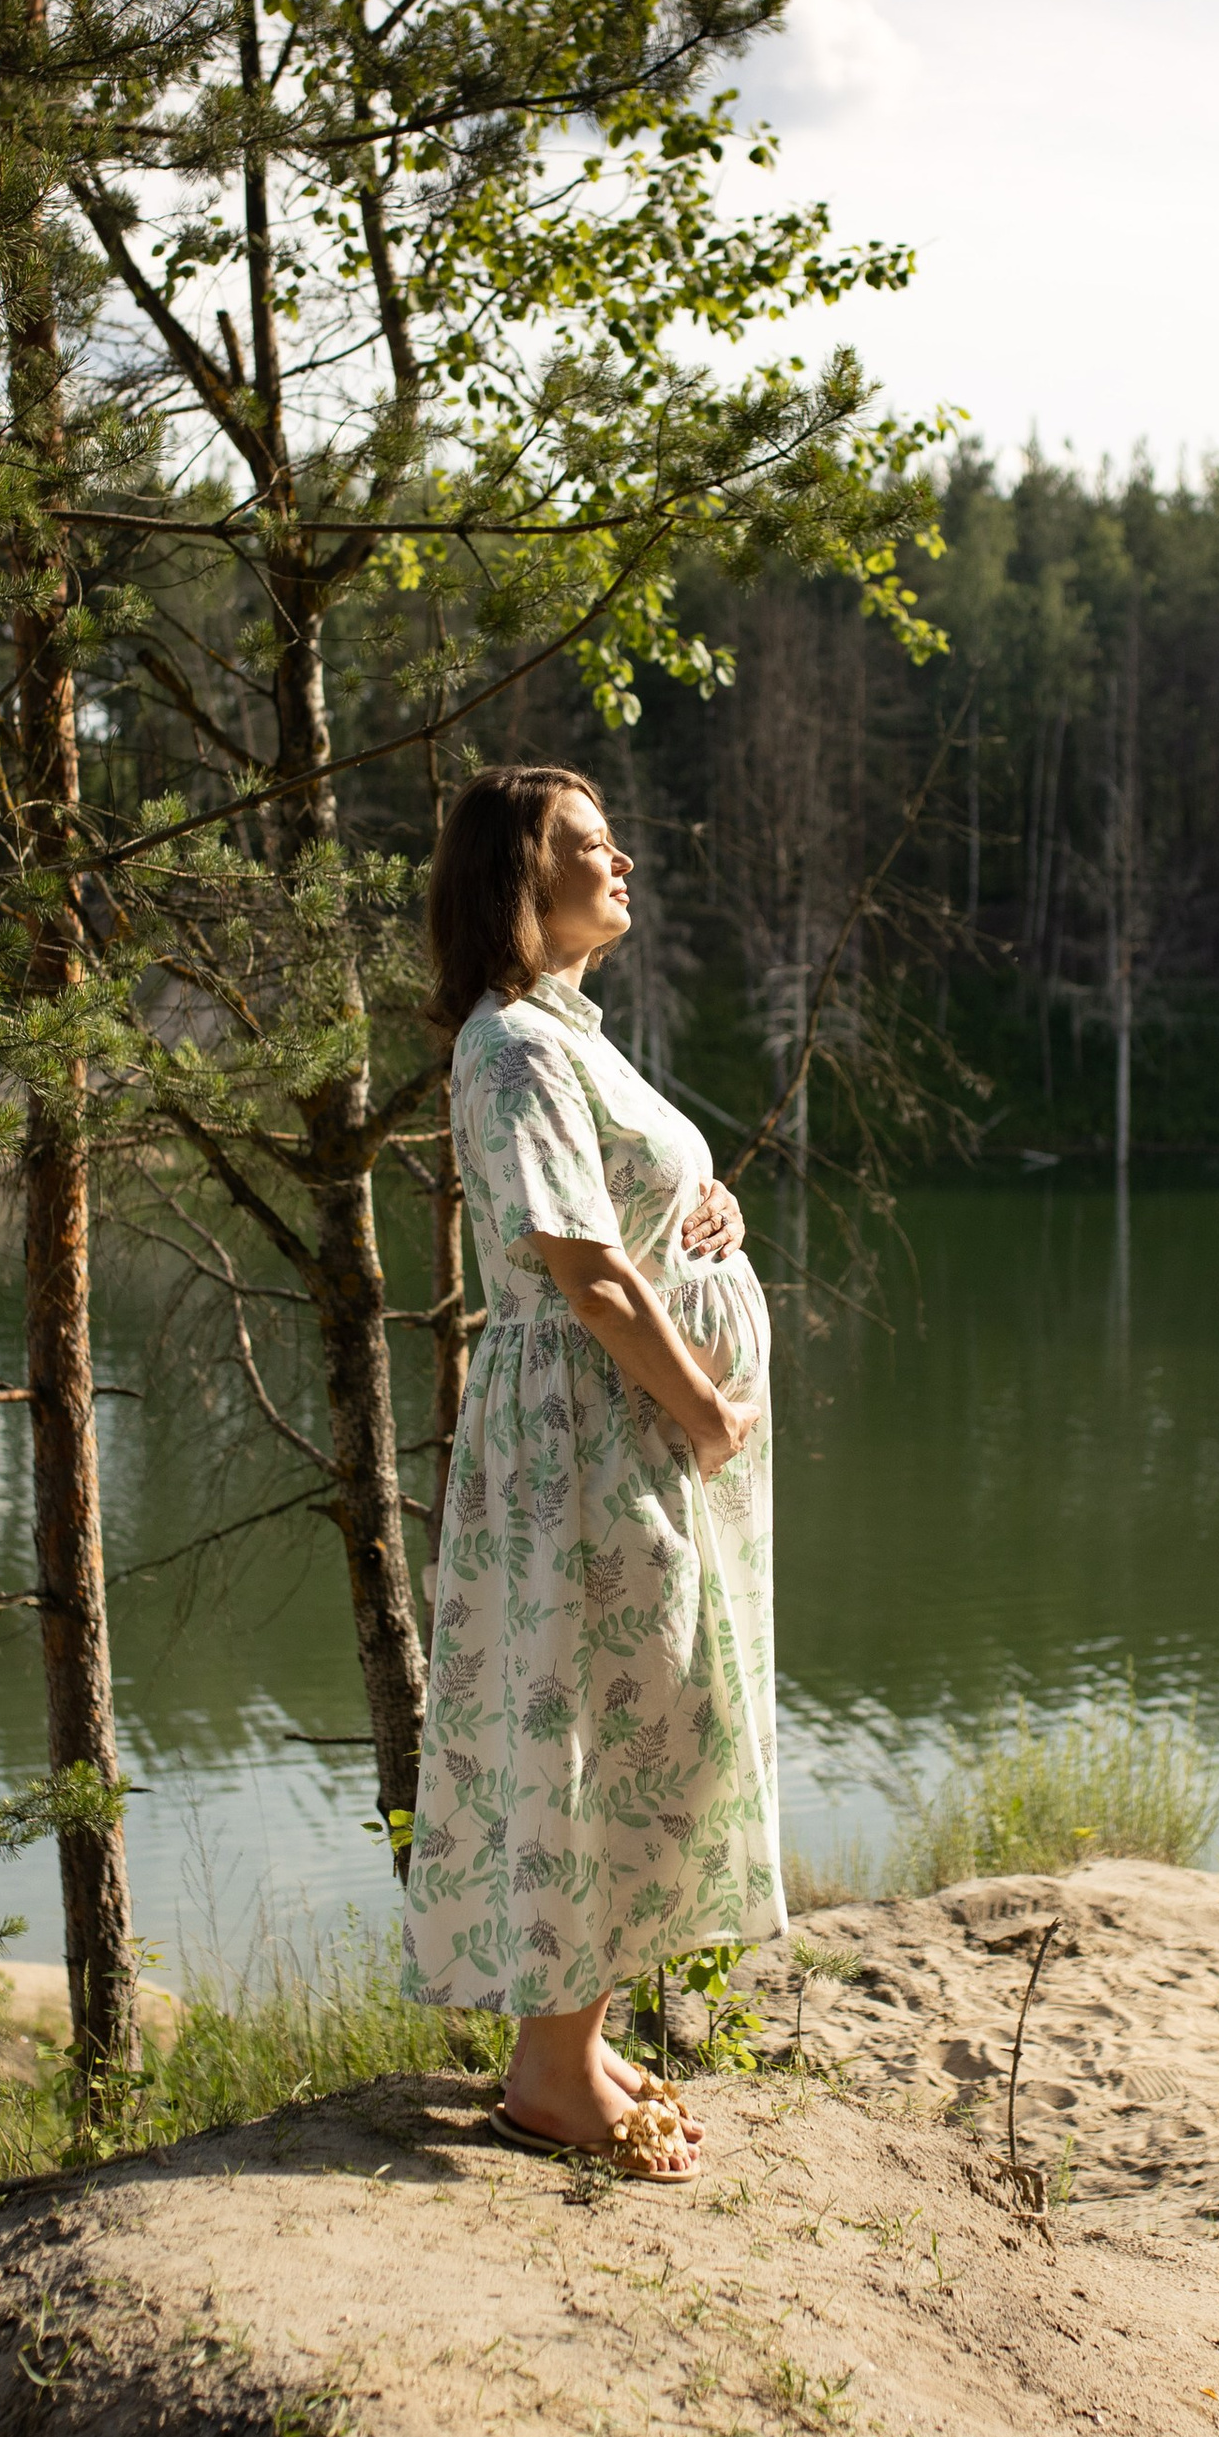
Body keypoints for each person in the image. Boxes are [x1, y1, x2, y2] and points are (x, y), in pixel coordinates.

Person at [403, 765, 781, 2182]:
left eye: (619, 840)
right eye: (588, 846)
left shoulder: (566, 1036)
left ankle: (570, 2041)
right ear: (517, 878)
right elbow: (583, 1271)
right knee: (596, 1714)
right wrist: (704, 1410)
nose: (622, 862)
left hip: (612, 1423)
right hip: (589, 1428)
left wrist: (708, 1204)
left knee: (635, 1713)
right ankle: (554, 2076)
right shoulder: (508, 1046)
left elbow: (635, 1209)